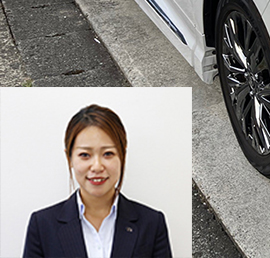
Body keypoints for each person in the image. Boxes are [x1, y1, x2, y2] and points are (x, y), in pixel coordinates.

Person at [23, 105, 172, 258]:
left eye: (108, 154)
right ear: (69, 158)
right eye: (85, 155)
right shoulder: (42, 225)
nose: (97, 167)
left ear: (122, 155)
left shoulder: (151, 224)